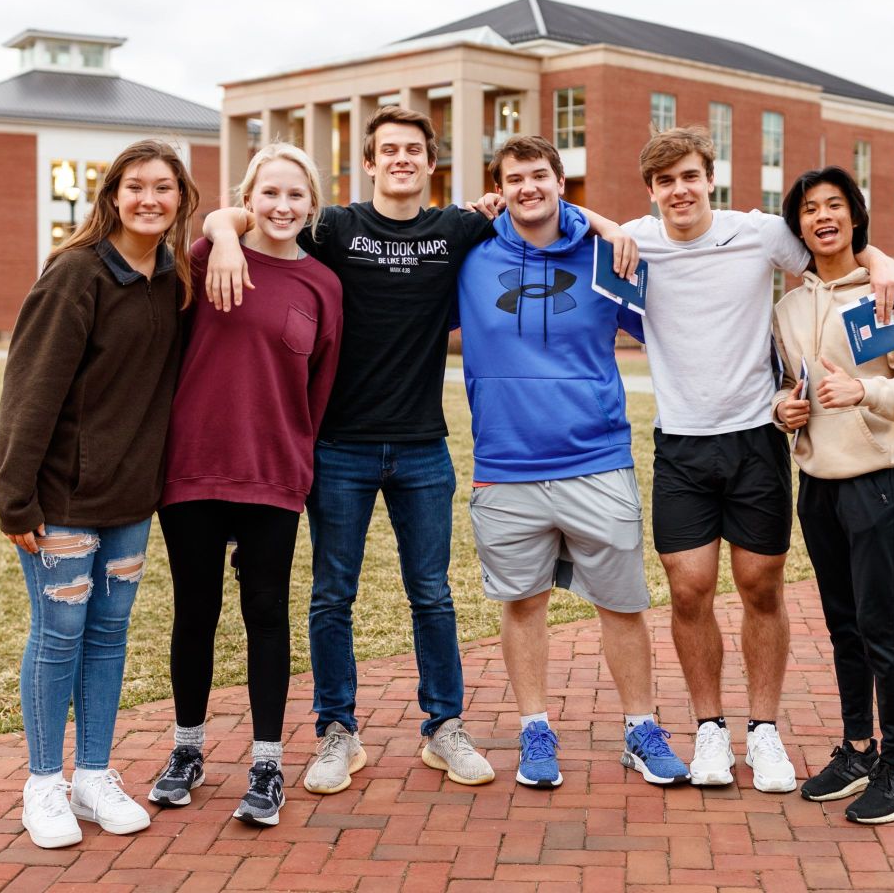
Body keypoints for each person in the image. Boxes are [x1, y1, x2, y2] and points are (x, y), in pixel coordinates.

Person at [202, 106, 634, 794]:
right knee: (331, 596)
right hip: (339, 445)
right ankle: (337, 733)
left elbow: (548, 212)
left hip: (422, 447)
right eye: (388, 150)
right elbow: (242, 217)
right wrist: (223, 237)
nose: (401, 158)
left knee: (431, 594)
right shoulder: (334, 227)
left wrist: (609, 225)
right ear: (368, 163)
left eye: (414, 150)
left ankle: (444, 728)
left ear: (430, 164)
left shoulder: (459, 229)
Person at [621, 126, 894, 790]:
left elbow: (829, 248)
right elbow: (572, 220)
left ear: (710, 178)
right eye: (665, 181)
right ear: (652, 191)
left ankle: (766, 732)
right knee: (689, 589)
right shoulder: (641, 239)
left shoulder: (755, 233)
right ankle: (708, 733)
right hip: (683, 445)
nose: (679, 190)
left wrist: (884, 262)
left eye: (689, 176)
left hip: (755, 440)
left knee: (760, 588)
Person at [457, 135, 688, 790]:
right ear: (499, 188)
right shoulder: (469, 255)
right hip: (505, 466)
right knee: (524, 604)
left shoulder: (606, 253)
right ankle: (535, 730)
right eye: (514, 178)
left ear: (562, 182)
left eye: (540, 175)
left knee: (621, 605)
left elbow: (673, 325)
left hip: (597, 458)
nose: (529, 187)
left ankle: (641, 730)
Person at [0, 139, 199, 849]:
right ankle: (44, 785)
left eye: (164, 188)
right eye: (135, 186)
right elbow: (29, 392)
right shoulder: (76, 275)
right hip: (62, 502)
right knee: (59, 638)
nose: (150, 199)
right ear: (111, 195)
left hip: (130, 502)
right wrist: (15, 498)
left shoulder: (175, 279)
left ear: (181, 200)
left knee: (109, 638)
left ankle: (93, 775)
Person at [148, 144, 343, 827]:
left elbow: (319, 387)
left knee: (266, 615)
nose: (283, 207)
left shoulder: (323, 285)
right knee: (194, 613)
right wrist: (224, 236)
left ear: (312, 206)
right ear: (248, 197)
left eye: (296, 196)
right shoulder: (204, 260)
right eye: (269, 194)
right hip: (194, 466)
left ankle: (266, 764)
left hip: (273, 473)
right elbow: (199, 232)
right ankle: (187, 750)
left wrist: (296, 462)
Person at [771, 166, 894, 824]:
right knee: (844, 628)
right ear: (800, 226)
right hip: (817, 490)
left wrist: (863, 390)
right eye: (810, 208)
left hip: (876, 486)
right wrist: (783, 410)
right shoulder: (788, 310)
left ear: (854, 217)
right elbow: (788, 387)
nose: (822, 217)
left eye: (834, 205)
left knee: (882, 630)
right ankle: (859, 750)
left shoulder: (884, 295)